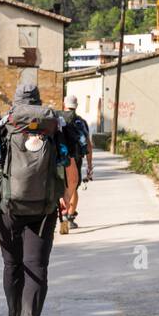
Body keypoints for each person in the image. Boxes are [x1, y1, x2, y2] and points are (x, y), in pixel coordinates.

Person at [0, 82, 78, 316]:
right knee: (37, 268)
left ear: (15, 102)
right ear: (39, 101)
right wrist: (67, 197)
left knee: (13, 265)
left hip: (8, 209)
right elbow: (71, 168)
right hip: (43, 211)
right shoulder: (55, 127)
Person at [59, 93, 92, 231]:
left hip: (59, 157)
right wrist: (89, 165)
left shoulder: (56, 119)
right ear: (76, 106)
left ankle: (61, 214)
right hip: (76, 157)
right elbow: (88, 145)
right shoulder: (81, 122)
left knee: (60, 186)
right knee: (72, 187)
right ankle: (69, 217)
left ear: (63, 104)